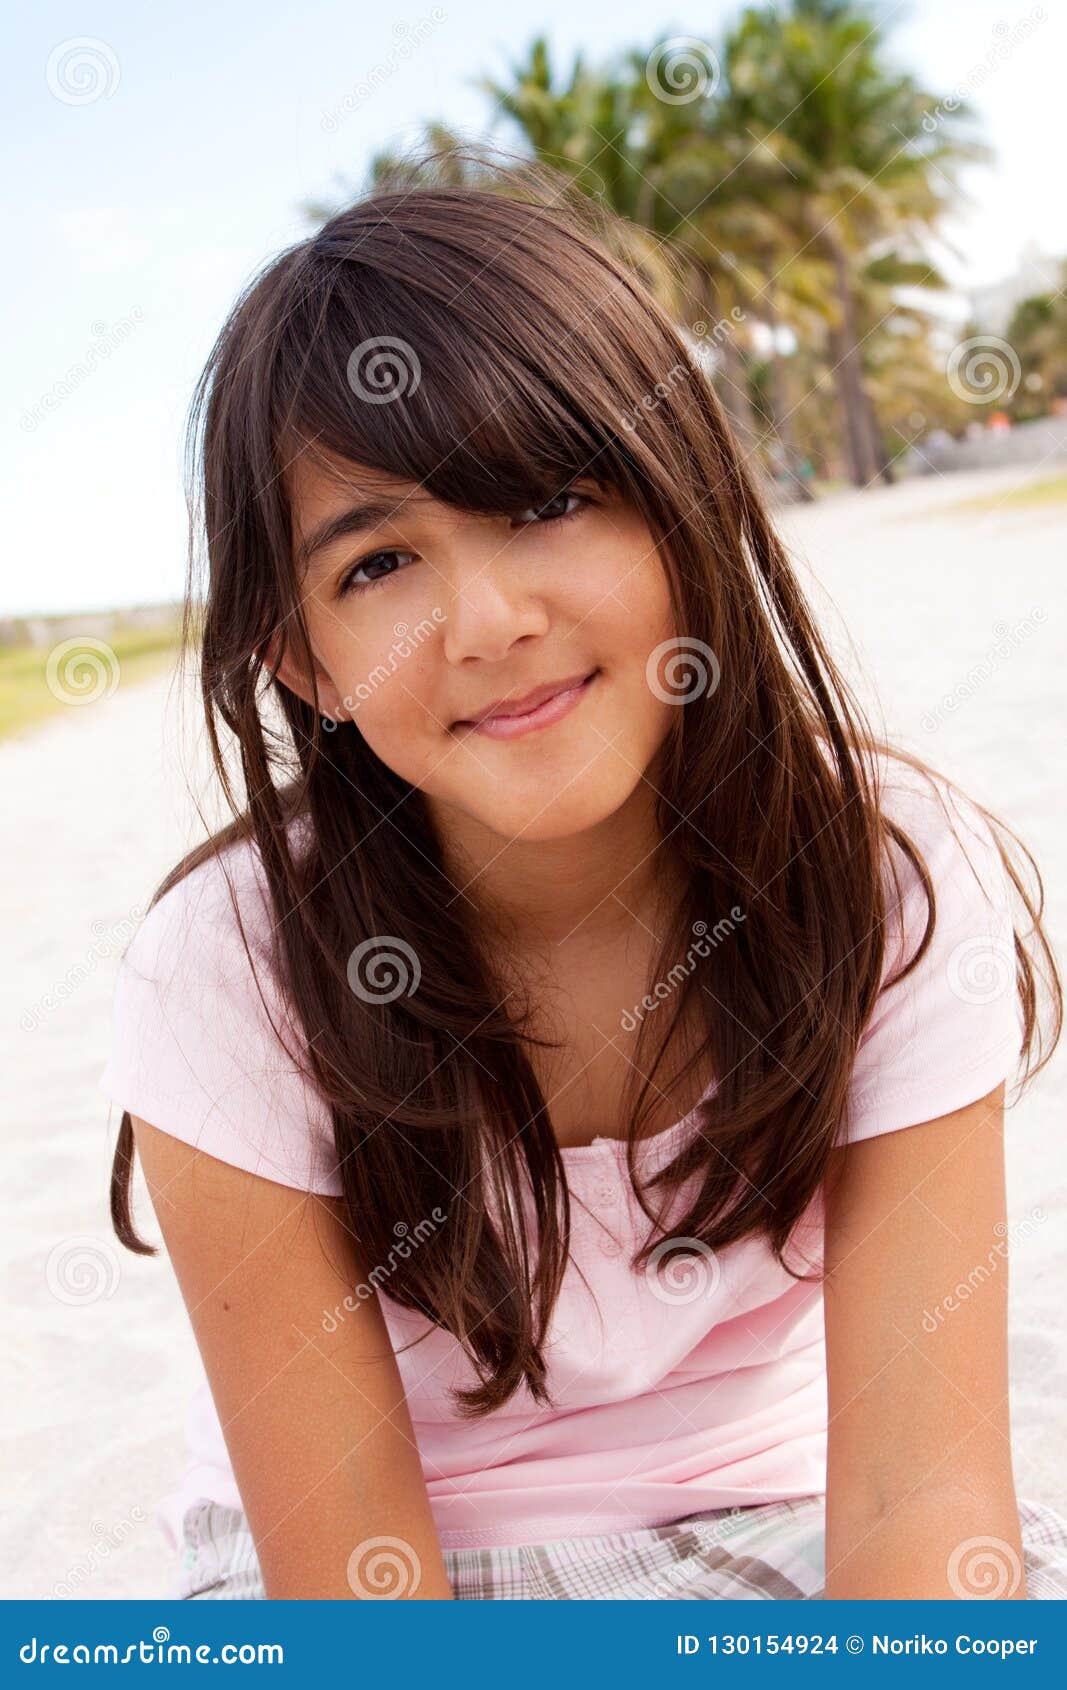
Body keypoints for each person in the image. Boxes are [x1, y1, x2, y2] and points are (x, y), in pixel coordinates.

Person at [99, 156, 1067, 1601]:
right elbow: (361, 1581)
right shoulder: (230, 960)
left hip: (784, 1514)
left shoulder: (885, 881)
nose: (490, 620)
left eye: (548, 499)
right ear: (301, 661)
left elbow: (910, 1493)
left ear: (683, 507)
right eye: (377, 565)